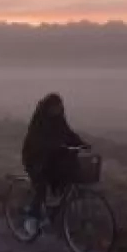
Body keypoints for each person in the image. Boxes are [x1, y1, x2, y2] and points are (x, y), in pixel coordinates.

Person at [21, 93, 88, 223]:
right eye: (54, 107)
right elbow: (37, 140)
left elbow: (68, 133)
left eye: (59, 107)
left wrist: (81, 144)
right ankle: (33, 214)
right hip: (35, 158)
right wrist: (53, 146)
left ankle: (55, 210)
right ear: (48, 107)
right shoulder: (40, 119)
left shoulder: (59, 119)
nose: (57, 110)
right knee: (41, 184)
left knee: (66, 176)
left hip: (51, 157)